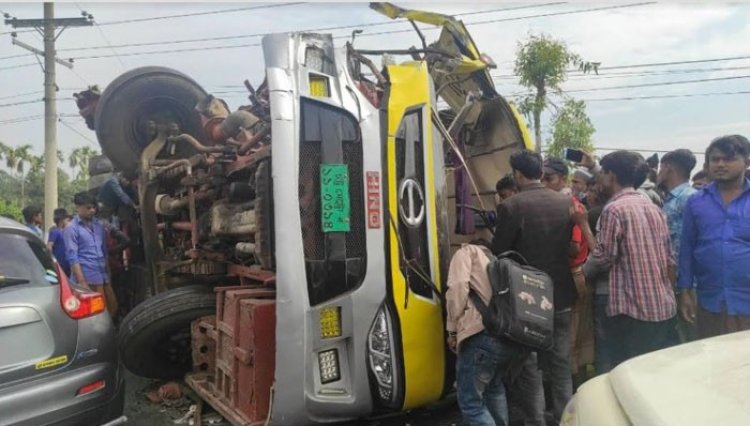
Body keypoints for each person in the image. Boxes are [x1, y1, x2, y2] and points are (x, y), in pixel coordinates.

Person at [493, 150, 576, 425]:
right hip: (561, 293)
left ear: (517, 174)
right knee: (561, 363)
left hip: (526, 300)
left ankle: (536, 421)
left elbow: (500, 254)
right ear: (540, 172)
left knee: (530, 366)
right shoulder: (564, 202)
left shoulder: (511, 206)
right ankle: (566, 417)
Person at [575, 150, 677, 368]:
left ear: (612, 176)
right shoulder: (653, 207)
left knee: (621, 368)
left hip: (631, 308)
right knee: (649, 369)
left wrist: (580, 273)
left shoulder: (614, 209)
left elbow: (603, 257)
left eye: (602, 172)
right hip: (661, 305)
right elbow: (670, 258)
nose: (599, 177)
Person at [447, 240, 526, 426]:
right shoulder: (497, 263)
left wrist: (451, 329)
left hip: (480, 338)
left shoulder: (467, 252)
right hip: (506, 340)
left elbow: (457, 287)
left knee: (471, 403)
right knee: (494, 390)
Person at [678, 135, 750, 338]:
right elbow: (687, 248)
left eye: (728, 159)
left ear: (746, 162)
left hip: (746, 299)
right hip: (710, 300)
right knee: (713, 362)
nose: (720, 164)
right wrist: (684, 290)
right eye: (715, 159)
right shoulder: (696, 202)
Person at [541, 157, 593, 383]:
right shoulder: (556, 203)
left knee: (572, 339)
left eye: (549, 178)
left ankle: (575, 390)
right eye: (542, 178)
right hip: (562, 277)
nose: (544, 183)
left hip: (572, 276)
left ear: (562, 180)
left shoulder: (571, 206)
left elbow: (573, 249)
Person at [657, 149, 698, 342]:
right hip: (677, 284)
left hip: (688, 287)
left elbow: (685, 246)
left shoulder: (687, 199)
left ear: (668, 168)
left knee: (690, 341)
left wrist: (684, 289)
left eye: (660, 167)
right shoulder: (671, 198)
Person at [64, 191, 117, 317]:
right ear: (78, 207)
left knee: (113, 307)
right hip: (87, 276)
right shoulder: (71, 228)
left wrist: (108, 271)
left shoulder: (99, 225)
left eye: (94, 207)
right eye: (88, 207)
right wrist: (82, 282)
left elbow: (104, 250)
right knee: (98, 313)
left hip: (102, 274)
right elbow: (72, 257)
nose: (92, 210)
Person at [47, 208, 72, 277]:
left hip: (67, 262)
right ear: (61, 220)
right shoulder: (55, 231)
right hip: (59, 262)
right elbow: (49, 246)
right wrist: (52, 260)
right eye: (68, 220)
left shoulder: (67, 231)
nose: (69, 222)